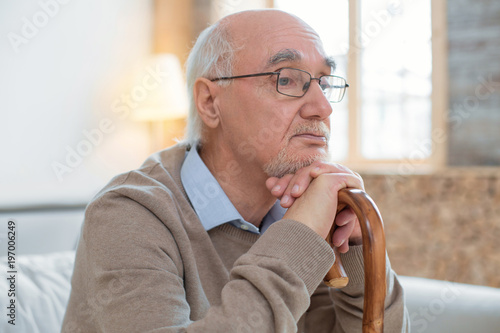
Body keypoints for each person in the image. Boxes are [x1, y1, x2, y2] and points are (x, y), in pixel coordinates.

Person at [62, 9, 409, 332]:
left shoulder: (303, 206)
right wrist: (300, 236)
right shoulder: (126, 215)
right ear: (211, 103)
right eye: (286, 80)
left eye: (324, 82)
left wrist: (358, 251)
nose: (322, 108)